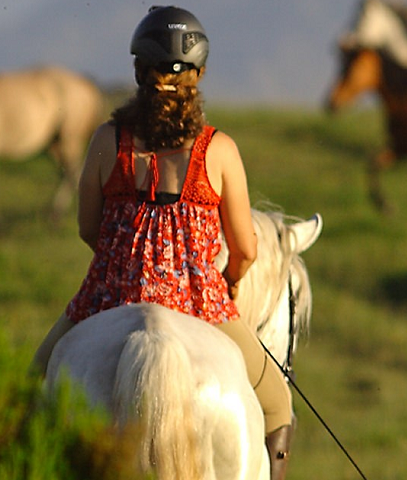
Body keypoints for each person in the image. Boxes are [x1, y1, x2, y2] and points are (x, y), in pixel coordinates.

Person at [32, 6, 294, 479]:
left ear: (138, 69)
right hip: (201, 300)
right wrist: (228, 282)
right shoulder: (219, 149)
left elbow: (87, 227)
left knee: (33, 382)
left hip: (108, 294)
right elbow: (247, 249)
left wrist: (124, 264)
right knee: (277, 405)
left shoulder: (106, 141)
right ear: (200, 73)